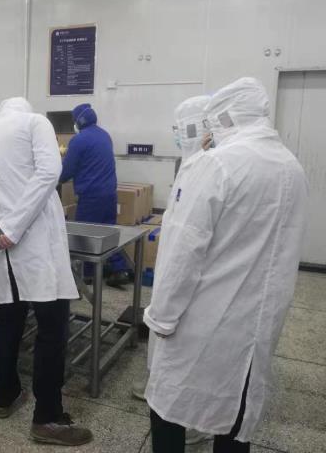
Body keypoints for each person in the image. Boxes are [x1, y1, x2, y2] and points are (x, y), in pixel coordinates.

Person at [143, 77, 308, 453]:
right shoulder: (291, 168)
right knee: (235, 413)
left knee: (168, 405)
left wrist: (161, 318)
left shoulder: (217, 165)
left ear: (226, 117)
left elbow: (184, 251)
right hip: (256, 324)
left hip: (201, 319)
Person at [0, 97, 93, 446]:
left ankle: (4, 396)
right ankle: (47, 418)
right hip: (34, 244)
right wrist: (14, 226)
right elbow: (50, 173)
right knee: (52, 329)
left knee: (9, 319)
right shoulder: (35, 123)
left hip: (0, 247)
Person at [132, 94, 214, 446]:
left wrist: (162, 313)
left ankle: (195, 419)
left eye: (179, 128)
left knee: (187, 352)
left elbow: (192, 241)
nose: (176, 134)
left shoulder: (211, 166)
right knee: (173, 356)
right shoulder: (193, 162)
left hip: (192, 285)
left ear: (196, 126)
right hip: (178, 278)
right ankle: (164, 391)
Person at [58, 103, 127, 286]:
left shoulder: (79, 140)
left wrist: (53, 178)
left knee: (85, 236)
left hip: (90, 196)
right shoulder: (105, 135)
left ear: (79, 121)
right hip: (109, 193)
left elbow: (67, 171)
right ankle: (119, 269)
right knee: (108, 231)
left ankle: (87, 275)